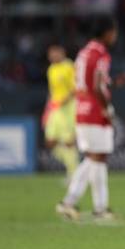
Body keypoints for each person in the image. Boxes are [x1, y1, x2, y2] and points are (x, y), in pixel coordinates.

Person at [56, 17, 124, 222]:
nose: (115, 36)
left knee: (94, 157)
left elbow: (90, 82)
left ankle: (78, 203)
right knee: (98, 157)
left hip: (82, 108)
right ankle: (93, 207)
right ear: (106, 33)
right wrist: (107, 109)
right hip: (95, 109)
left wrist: (114, 84)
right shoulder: (101, 53)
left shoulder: (83, 53)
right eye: (113, 32)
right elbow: (97, 86)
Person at [43, 43, 79, 180]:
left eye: (54, 53)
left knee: (69, 141)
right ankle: (74, 168)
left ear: (62, 52)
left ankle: (73, 174)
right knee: (50, 141)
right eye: (50, 54)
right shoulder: (51, 69)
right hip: (55, 108)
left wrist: (67, 99)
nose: (52, 56)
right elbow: (52, 92)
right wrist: (48, 110)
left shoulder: (69, 66)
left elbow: (76, 87)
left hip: (69, 108)